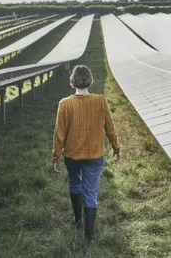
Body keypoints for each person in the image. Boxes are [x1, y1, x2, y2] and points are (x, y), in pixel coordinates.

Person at [52, 65, 120, 245]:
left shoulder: (64, 104)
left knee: (75, 183)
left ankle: (77, 220)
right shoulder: (100, 101)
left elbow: (59, 133)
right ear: (90, 80)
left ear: (73, 81)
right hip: (95, 155)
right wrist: (116, 148)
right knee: (90, 193)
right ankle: (89, 238)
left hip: (72, 156)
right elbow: (110, 128)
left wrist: (55, 157)